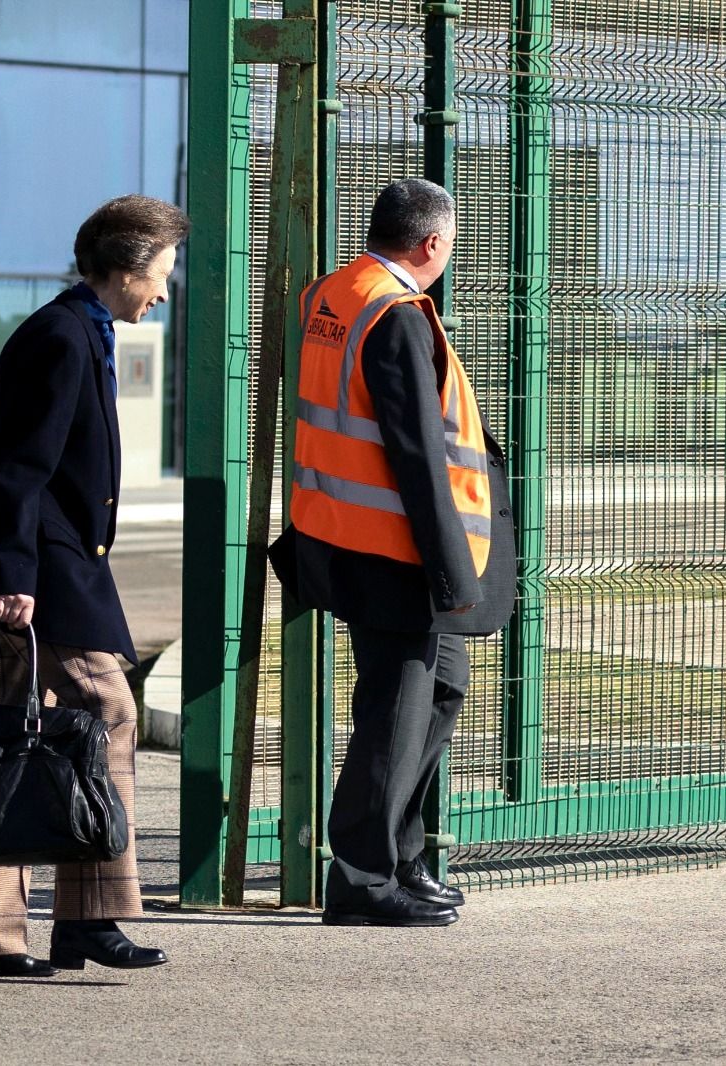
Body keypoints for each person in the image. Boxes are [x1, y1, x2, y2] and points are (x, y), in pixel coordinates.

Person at [0, 194, 188, 977]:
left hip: (55, 565)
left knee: (6, 737)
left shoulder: (84, 330)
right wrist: (12, 576)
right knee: (108, 709)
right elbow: (17, 469)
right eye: (162, 274)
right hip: (43, 568)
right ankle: (91, 917)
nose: (164, 290)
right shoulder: (62, 336)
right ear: (127, 266)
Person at [269, 178, 515, 927]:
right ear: (432, 244)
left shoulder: (334, 293)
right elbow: (417, 457)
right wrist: (452, 570)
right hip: (396, 553)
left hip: (351, 539)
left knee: (439, 691)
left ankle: (401, 854)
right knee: (396, 711)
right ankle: (360, 879)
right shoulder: (397, 313)